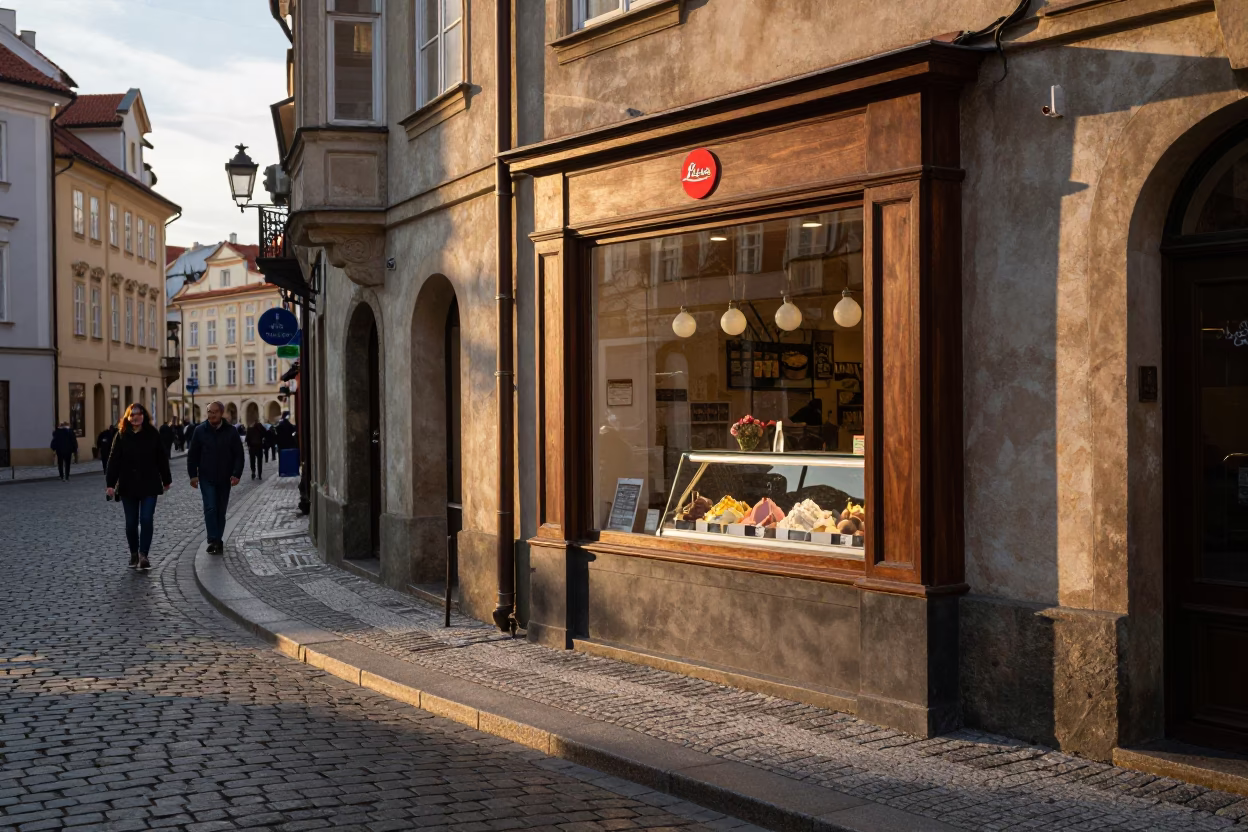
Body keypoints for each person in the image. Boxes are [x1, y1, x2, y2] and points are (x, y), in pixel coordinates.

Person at [105, 403, 172, 571]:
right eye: (132, 414)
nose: (136, 417)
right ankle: (134, 552)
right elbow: (113, 461)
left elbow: (161, 458)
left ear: (144, 416)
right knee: (131, 523)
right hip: (128, 485)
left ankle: (144, 555)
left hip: (149, 484)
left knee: (147, 519)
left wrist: (166, 479)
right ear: (127, 417)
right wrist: (110, 485)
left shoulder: (152, 434)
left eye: (139, 414)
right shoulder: (121, 435)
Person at [187, 401, 243, 555]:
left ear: (221, 413)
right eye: (209, 412)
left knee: (220, 510)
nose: (211, 415)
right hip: (206, 476)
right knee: (210, 507)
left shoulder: (231, 432)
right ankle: (213, 539)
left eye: (215, 412)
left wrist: (236, 474)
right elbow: (192, 455)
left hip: (225, 478)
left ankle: (218, 539)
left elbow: (239, 455)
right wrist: (193, 475)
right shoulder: (200, 431)